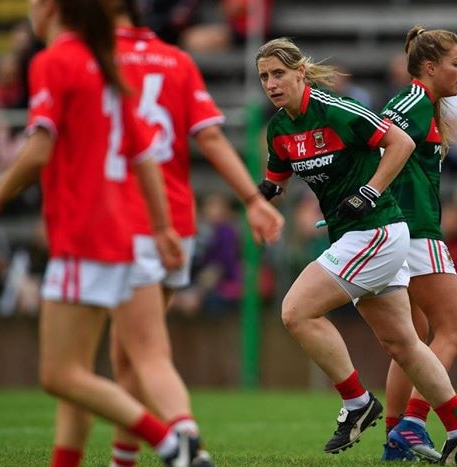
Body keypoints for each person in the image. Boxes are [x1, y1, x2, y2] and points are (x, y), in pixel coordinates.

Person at [48, 2, 284, 467]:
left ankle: (170, 443)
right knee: (135, 353)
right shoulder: (176, 59)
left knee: (81, 363)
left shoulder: (85, 54)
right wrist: (252, 199)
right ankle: (151, 449)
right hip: (175, 219)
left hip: (114, 216)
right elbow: (211, 137)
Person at [0, 1, 199, 466]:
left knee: (59, 375)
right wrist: (160, 227)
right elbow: (143, 156)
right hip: (119, 233)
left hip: (83, 233)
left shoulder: (55, 60)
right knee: (78, 371)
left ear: (51, 8)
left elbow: (38, 149)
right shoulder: (104, 64)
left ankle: (171, 444)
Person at [255, 37, 457, 465]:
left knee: (296, 311)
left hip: (376, 231)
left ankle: (360, 404)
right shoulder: (280, 129)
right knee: (405, 342)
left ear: (301, 72)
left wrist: (369, 191)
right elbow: (276, 177)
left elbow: (394, 141)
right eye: (265, 76)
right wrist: (261, 199)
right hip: (375, 232)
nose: (271, 83)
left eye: (279, 73)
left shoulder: (337, 110)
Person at [377, 27, 457, 462]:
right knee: (452, 331)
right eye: (456, 63)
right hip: (415, 230)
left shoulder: (411, 103)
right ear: (430, 67)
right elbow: (382, 156)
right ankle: (415, 422)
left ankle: (395, 439)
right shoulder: (416, 102)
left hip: (394, 229)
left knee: (410, 338)